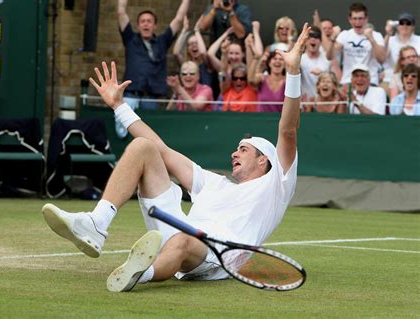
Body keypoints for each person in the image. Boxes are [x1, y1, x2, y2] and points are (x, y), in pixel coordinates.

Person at [41, 23, 312, 293]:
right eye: (236, 148)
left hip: (214, 253)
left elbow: (288, 130)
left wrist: (292, 70)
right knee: (144, 147)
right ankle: (97, 224)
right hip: (177, 230)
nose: (234, 153)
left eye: (243, 149)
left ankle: (142, 273)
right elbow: (161, 148)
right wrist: (118, 106)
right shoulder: (214, 183)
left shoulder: (275, 186)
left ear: (264, 160)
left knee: (182, 240)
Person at [115, 0, 189, 137]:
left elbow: (178, 19)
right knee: (122, 134)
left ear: (154, 26)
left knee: (149, 136)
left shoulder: (162, 41)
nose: (146, 23)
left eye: (149, 21)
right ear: (138, 25)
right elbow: (121, 12)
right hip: (131, 95)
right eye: (142, 21)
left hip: (152, 98)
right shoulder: (130, 39)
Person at [328, 3, 386, 87]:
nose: (357, 22)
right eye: (354, 18)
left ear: (366, 19)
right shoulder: (344, 35)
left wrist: (371, 39)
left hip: (370, 83)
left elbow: (382, 59)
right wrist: (333, 38)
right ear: (350, 19)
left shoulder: (376, 35)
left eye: (361, 18)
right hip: (348, 82)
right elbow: (330, 57)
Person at [248, 26, 287, 113]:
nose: (277, 61)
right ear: (269, 63)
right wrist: (256, 58)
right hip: (261, 122)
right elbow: (251, 80)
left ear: (285, 64)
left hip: (280, 124)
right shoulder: (262, 78)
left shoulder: (288, 81)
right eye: (274, 59)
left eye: (281, 59)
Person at [172, 16, 213, 87]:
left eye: (196, 43)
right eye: (191, 44)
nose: (194, 46)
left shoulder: (207, 64)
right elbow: (176, 52)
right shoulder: (186, 63)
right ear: (187, 49)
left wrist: (197, 31)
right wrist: (184, 30)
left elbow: (203, 52)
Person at [383, 13, 420, 89]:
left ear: (413, 27)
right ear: (397, 26)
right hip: (390, 79)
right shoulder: (390, 40)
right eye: (402, 23)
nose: (405, 26)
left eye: (408, 24)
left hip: (415, 79)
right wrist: (388, 34)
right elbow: (382, 57)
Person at [300, 26, 332, 99]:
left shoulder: (327, 59)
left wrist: (323, 74)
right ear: (305, 41)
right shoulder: (300, 60)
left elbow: (335, 80)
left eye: (316, 37)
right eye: (310, 36)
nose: (313, 39)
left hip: (324, 102)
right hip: (306, 104)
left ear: (321, 41)